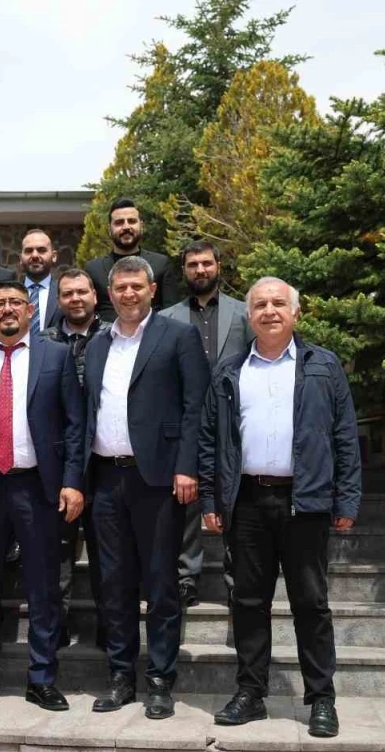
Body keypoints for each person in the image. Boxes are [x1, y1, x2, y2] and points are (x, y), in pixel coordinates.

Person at [199, 277, 362, 739]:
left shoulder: (323, 366)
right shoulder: (230, 370)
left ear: (295, 313)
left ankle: (322, 698)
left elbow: (345, 435)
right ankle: (251, 693)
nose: (269, 311)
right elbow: (211, 439)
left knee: (311, 603)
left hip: (304, 501)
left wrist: (347, 497)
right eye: (260, 305)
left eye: (278, 303)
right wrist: (211, 498)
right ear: (248, 315)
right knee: (249, 601)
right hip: (247, 502)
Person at [0, 280, 85, 711]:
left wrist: (72, 481)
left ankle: (41, 678)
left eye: (15, 302)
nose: (7, 309)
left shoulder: (56, 357)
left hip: (39, 488)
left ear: (30, 310)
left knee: (43, 588)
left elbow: (75, 425)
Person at [83, 256, 209, 720]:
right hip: (105, 479)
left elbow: (196, 406)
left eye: (137, 286)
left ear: (152, 290)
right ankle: (121, 676)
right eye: (121, 288)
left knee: (160, 584)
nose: (129, 294)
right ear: (110, 294)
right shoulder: (98, 344)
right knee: (113, 584)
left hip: (157, 478)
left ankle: (159, 680)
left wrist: (188, 467)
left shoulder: (178, 336)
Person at [160, 241, 254, 608]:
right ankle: (186, 577)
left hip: (232, 420)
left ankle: (236, 578)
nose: (200, 270)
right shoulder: (167, 318)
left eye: (206, 263)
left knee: (234, 499)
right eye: (193, 264)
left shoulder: (243, 313)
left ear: (218, 266)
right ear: (184, 270)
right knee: (186, 501)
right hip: (185, 419)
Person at [41, 269, 106, 646]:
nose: (75, 299)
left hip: (104, 461)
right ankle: (57, 628)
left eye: (82, 292)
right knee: (56, 553)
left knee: (108, 554)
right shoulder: (44, 341)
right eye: (67, 294)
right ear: (58, 300)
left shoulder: (113, 337)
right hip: (58, 462)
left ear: (95, 296)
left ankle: (109, 629)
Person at [83, 199, 183, 320]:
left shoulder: (160, 264)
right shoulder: (94, 269)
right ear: (109, 229)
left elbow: (171, 312)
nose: (126, 227)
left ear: (141, 226)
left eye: (132, 221)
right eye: (119, 222)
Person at [19, 229, 61, 333]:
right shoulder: (11, 294)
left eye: (41, 250)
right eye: (29, 251)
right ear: (20, 258)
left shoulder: (63, 293)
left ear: (54, 256)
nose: (34, 256)